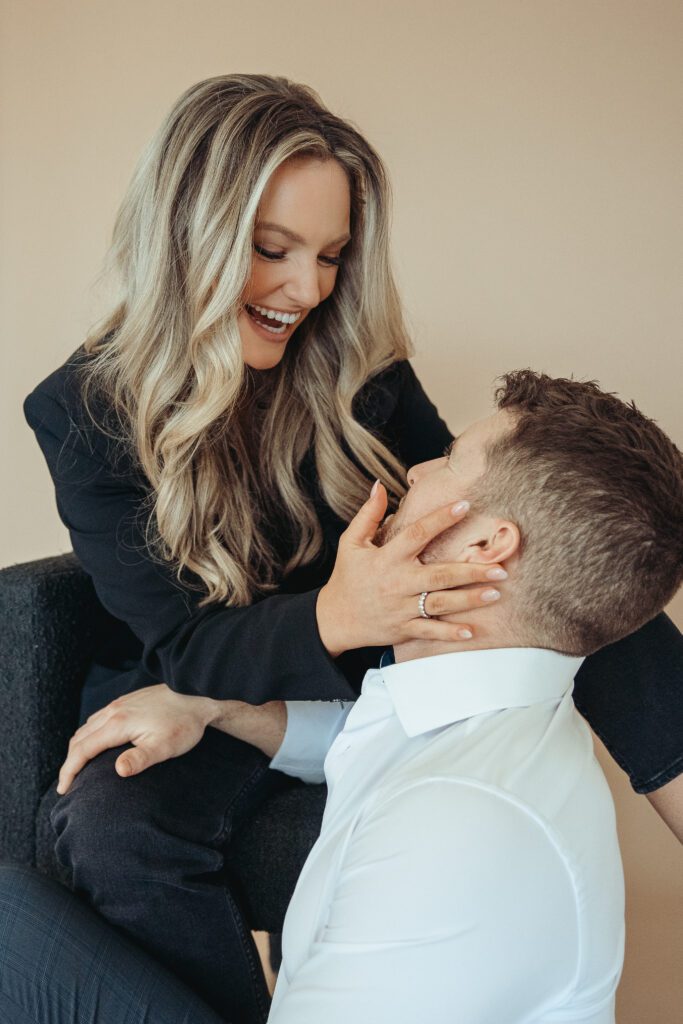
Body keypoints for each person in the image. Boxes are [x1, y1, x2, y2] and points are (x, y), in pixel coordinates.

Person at [15, 74, 683, 1020]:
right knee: (114, 824)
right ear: (184, 238)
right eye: (272, 250)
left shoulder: (358, 369)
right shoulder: (81, 412)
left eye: (331, 255)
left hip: (364, 680)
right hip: (201, 668)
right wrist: (331, 615)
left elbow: (503, 526)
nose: (307, 289)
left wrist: (369, 623)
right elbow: (185, 646)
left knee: (570, 537)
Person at [3, 370, 681, 1023]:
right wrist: (212, 706)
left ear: (485, 544)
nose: (412, 471)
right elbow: (358, 736)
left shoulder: (454, 831)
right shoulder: (497, 707)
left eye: (446, 458)